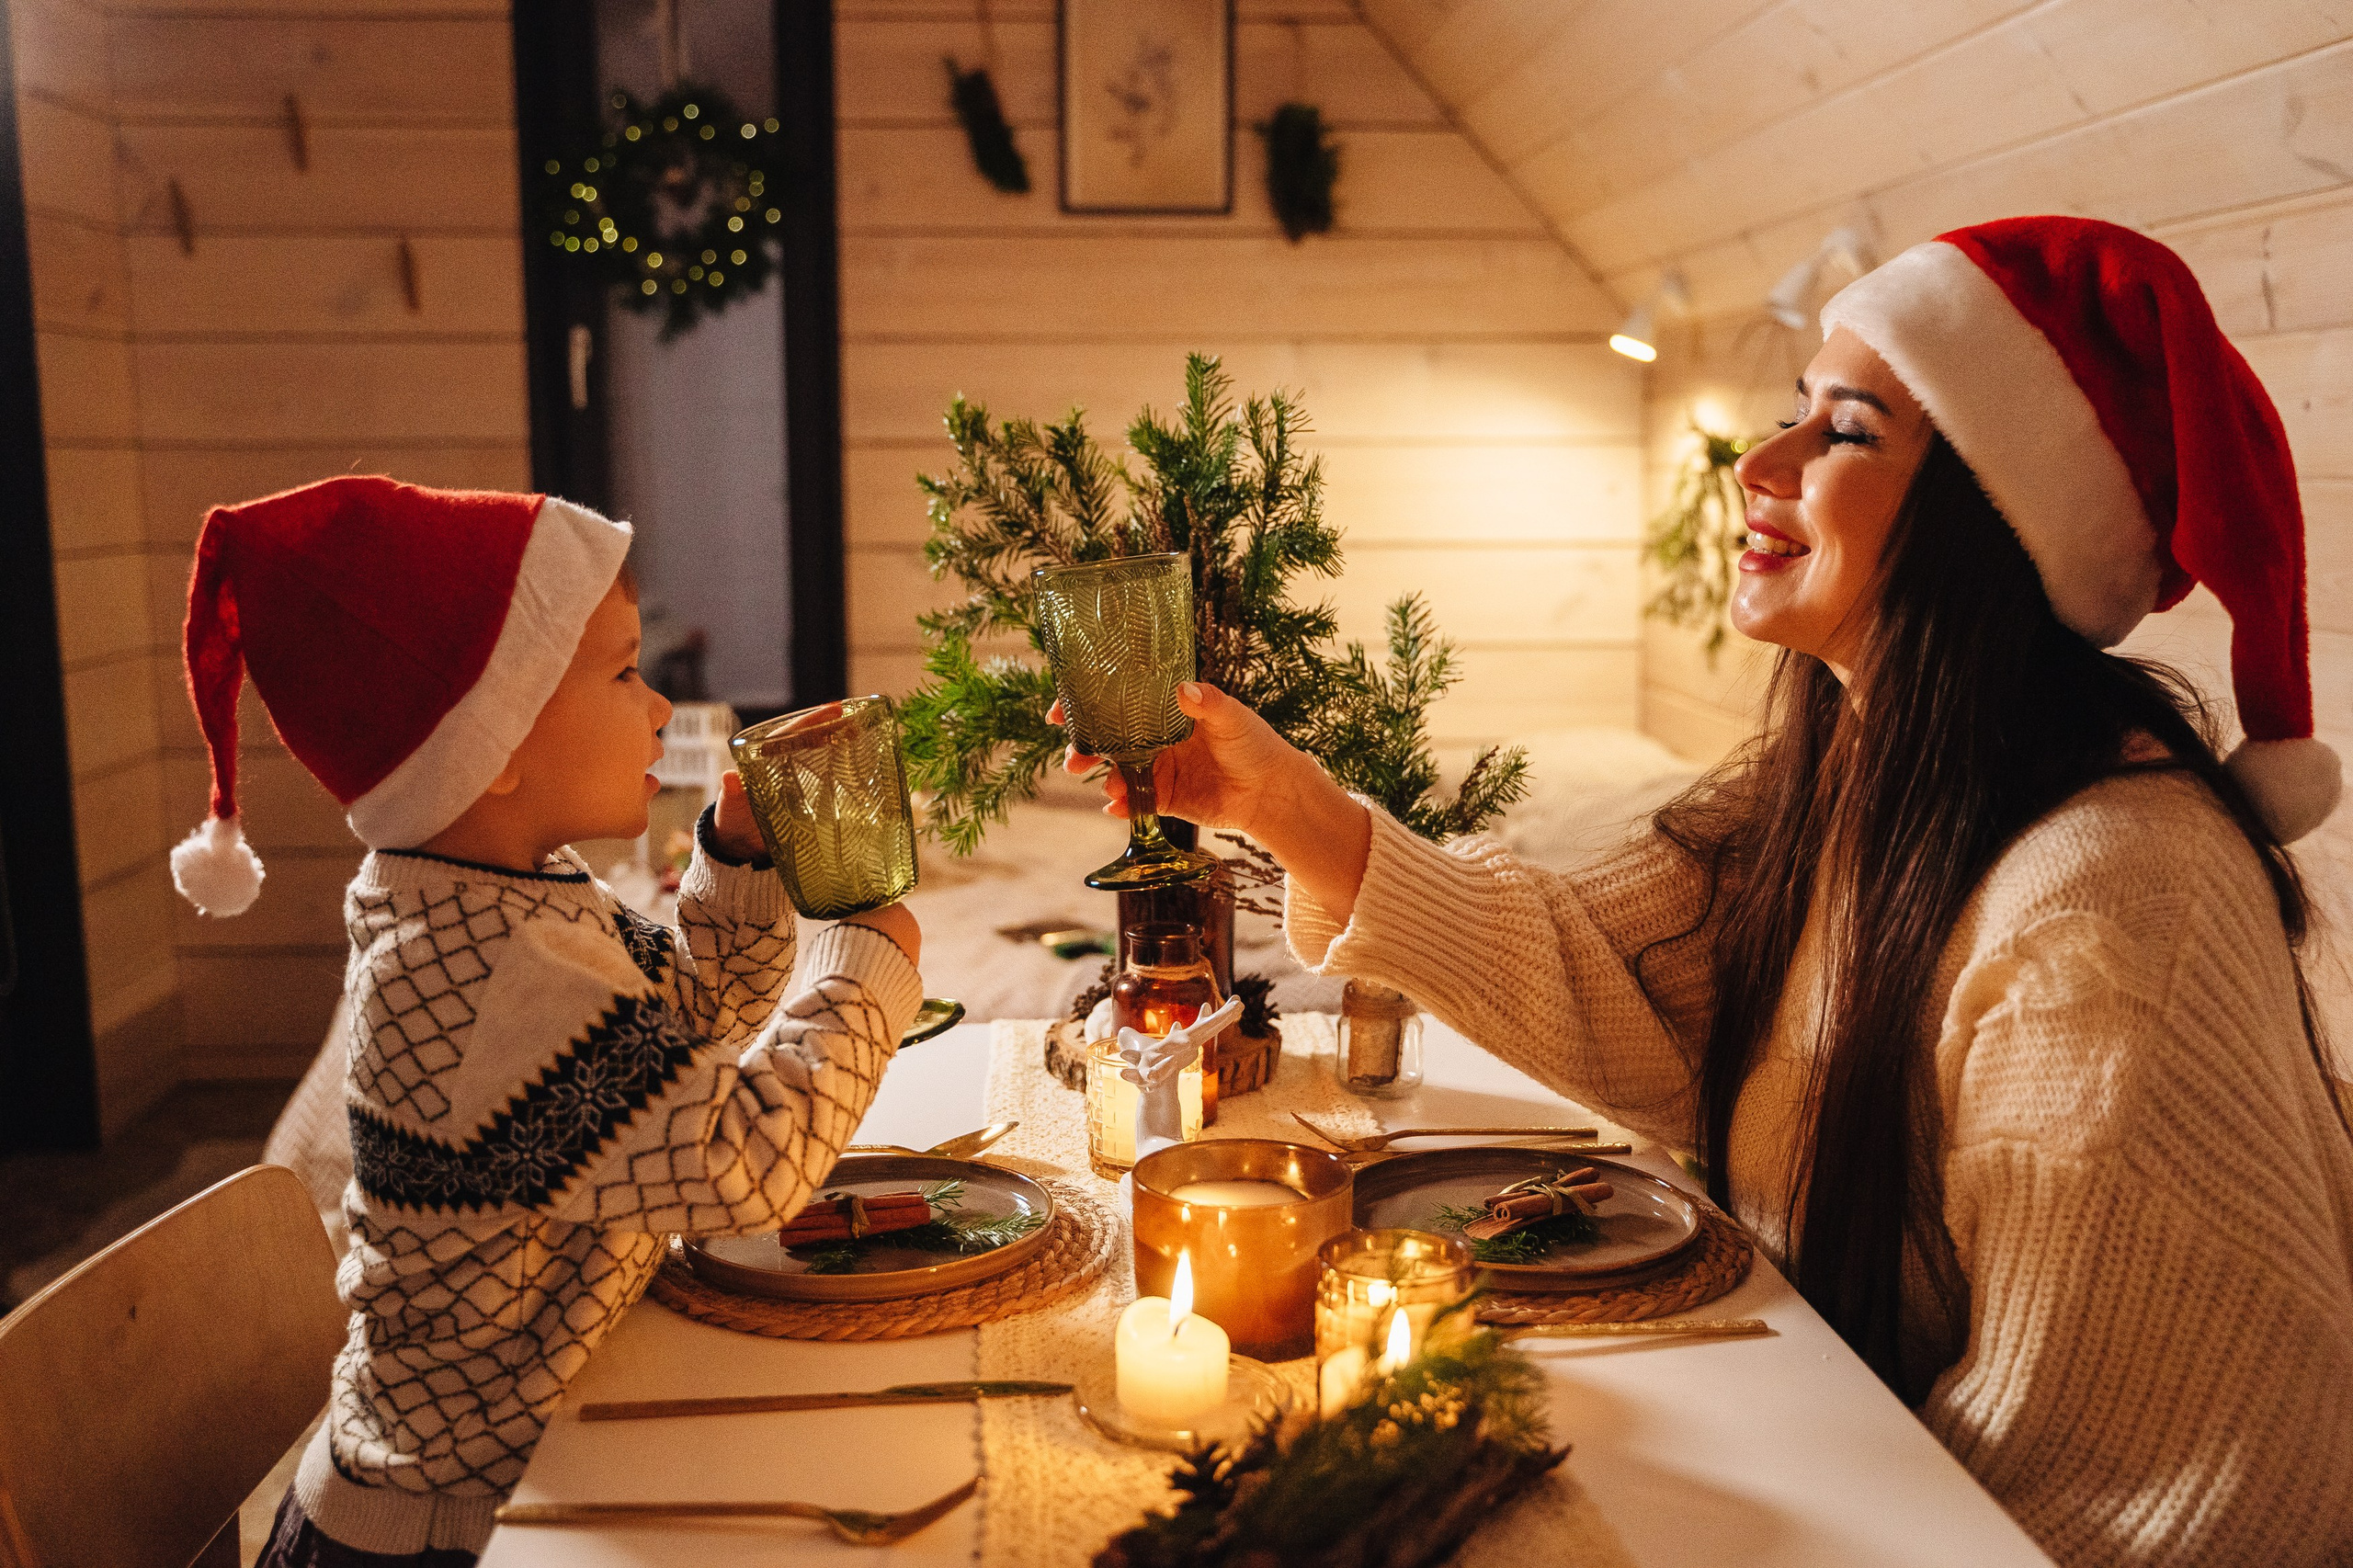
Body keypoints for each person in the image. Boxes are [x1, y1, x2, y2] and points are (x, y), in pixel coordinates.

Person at [1071, 218, 2353, 1566]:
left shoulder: (2105, 908)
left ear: (1994, 522)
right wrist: (1282, 805)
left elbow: (2136, 1496)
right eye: (1793, 412)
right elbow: (1600, 970)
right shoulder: (1854, 774)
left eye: (1844, 433)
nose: (1761, 463)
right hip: (1833, 1454)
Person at [166, 477, 923, 1565]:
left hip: (535, 1459)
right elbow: (745, 1160)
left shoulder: (505, 894)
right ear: (494, 743)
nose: (660, 705)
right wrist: (867, 965)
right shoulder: (483, 975)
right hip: (446, 1534)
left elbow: (693, 1027)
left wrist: (738, 858)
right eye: (622, 672)